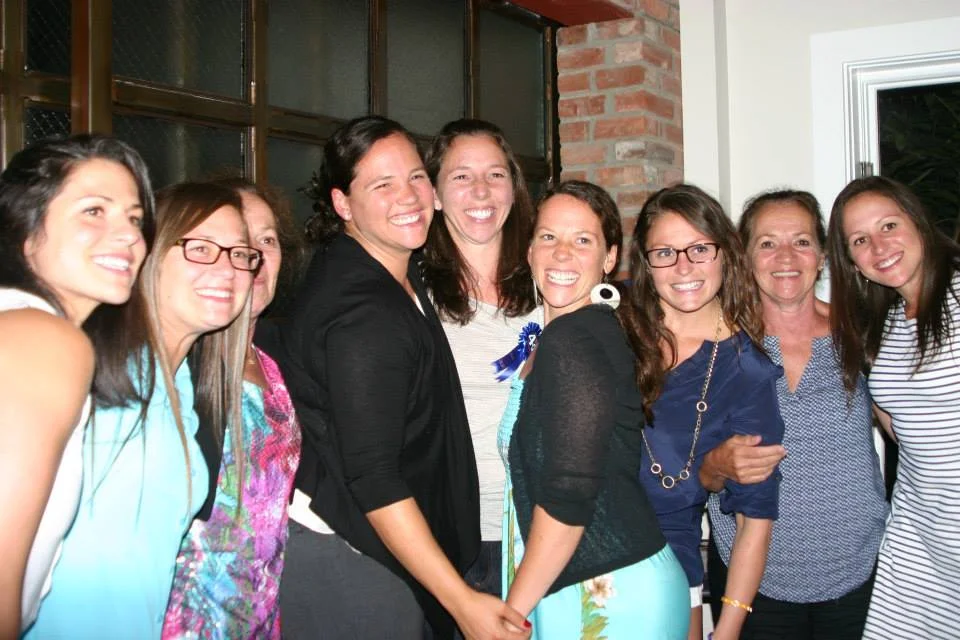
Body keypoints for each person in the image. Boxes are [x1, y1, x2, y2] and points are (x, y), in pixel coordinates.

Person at [261, 115, 529, 639]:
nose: (407, 196)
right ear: (343, 204)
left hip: (396, 561)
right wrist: (461, 602)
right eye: (382, 185)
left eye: (415, 177)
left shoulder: (394, 273)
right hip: (367, 568)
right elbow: (374, 477)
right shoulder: (365, 313)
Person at [26, 182, 258, 638]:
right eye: (200, 248)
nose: (227, 269)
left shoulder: (183, 384)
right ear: (148, 256)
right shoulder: (96, 369)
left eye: (239, 253)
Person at [500, 180, 690, 639]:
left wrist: (508, 618)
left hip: (606, 590)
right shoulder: (568, 335)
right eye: (548, 236)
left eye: (582, 240)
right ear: (529, 250)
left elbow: (568, 496)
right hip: (576, 575)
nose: (561, 253)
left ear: (609, 258)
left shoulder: (574, 340)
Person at [700, 189, 887, 638]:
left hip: (861, 575)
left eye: (801, 241)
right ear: (745, 258)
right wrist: (716, 464)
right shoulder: (717, 347)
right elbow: (689, 473)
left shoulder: (860, 333)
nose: (785, 256)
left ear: (822, 256)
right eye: (767, 243)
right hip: (751, 585)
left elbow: (908, 430)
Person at [0, 135, 151, 636]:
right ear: (26, 230)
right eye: (94, 211)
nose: (128, 236)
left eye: (135, 218)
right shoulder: (41, 339)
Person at [621, 183, 785, 640]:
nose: (683, 267)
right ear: (645, 263)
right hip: (571, 548)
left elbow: (755, 518)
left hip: (667, 564)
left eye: (699, 249)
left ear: (725, 253)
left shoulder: (746, 371)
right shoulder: (612, 322)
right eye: (664, 253)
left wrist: (727, 630)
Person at [162, 178, 304, 639]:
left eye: (266, 241)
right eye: (236, 242)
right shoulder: (181, 361)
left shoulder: (273, 362)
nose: (250, 257)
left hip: (258, 615)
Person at [826, 176, 960, 639]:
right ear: (852, 262)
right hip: (921, 539)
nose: (879, 247)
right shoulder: (885, 327)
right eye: (860, 240)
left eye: (889, 226)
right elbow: (900, 428)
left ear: (917, 223)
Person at [422, 119, 541, 598]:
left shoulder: (550, 279)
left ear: (514, 187)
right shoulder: (414, 297)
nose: (481, 191)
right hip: (462, 536)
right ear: (433, 194)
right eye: (461, 176)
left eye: (495, 174)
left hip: (547, 527)